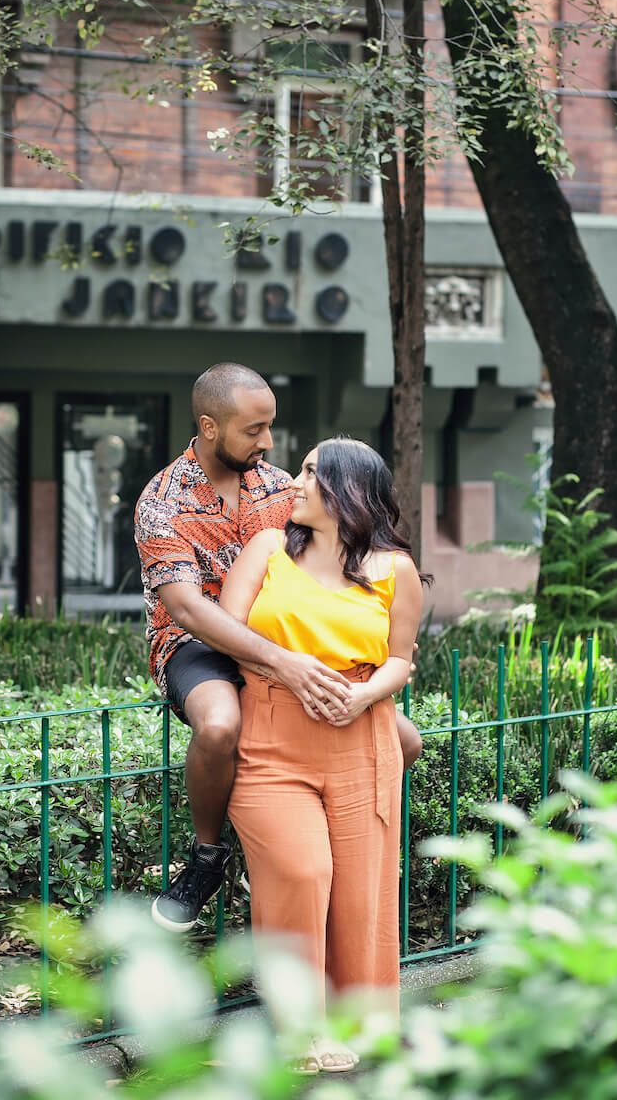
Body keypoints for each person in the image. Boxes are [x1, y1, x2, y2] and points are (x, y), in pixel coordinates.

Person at [134, 363, 423, 933]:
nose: (267, 442)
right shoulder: (161, 500)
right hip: (196, 642)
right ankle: (209, 857)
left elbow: (334, 550)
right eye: (254, 430)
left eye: (270, 427)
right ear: (210, 427)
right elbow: (190, 609)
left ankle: (275, 844)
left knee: (404, 742)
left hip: (283, 634)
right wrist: (281, 663)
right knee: (220, 725)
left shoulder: (280, 485)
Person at [220, 437, 426, 1072]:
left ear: (346, 490)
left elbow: (400, 661)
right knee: (302, 872)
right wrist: (291, 669)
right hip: (273, 732)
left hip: (361, 735)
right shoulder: (267, 549)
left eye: (311, 472)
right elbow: (230, 629)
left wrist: (362, 696)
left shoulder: (396, 570)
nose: (296, 481)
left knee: (363, 894)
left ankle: (361, 1026)